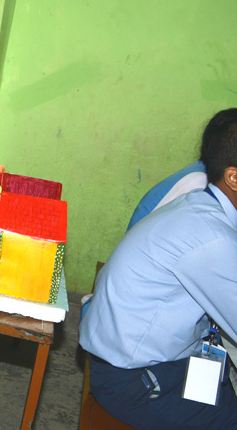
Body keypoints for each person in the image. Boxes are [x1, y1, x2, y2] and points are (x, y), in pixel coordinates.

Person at [80, 108, 237, 429]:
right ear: (233, 177)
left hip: (150, 359)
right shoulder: (211, 238)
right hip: (135, 383)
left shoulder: (199, 205)